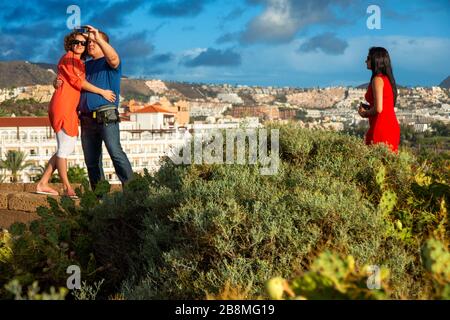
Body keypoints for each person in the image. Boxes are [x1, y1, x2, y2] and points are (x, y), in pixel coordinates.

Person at [36, 31, 116, 197]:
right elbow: (78, 82)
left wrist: (57, 81)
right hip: (63, 106)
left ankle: (43, 183)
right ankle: (66, 188)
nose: (79, 45)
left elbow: (66, 79)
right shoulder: (70, 58)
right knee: (65, 148)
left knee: (64, 148)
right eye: (75, 42)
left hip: (68, 107)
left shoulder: (78, 61)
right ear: (70, 45)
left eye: (83, 43)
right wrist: (103, 92)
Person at [76, 25, 133, 191]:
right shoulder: (84, 66)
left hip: (105, 115)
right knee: (92, 162)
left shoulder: (109, 63)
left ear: (103, 43)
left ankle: (133, 192)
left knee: (115, 153)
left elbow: (114, 58)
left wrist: (98, 37)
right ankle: (100, 199)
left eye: (94, 41)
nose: (90, 44)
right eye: (89, 42)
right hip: (86, 119)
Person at [358, 47, 400, 153]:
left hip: (381, 126)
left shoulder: (378, 79)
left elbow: (378, 109)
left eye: (368, 58)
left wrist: (365, 113)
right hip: (389, 125)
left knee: (375, 161)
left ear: (375, 60)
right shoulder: (387, 79)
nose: (365, 61)